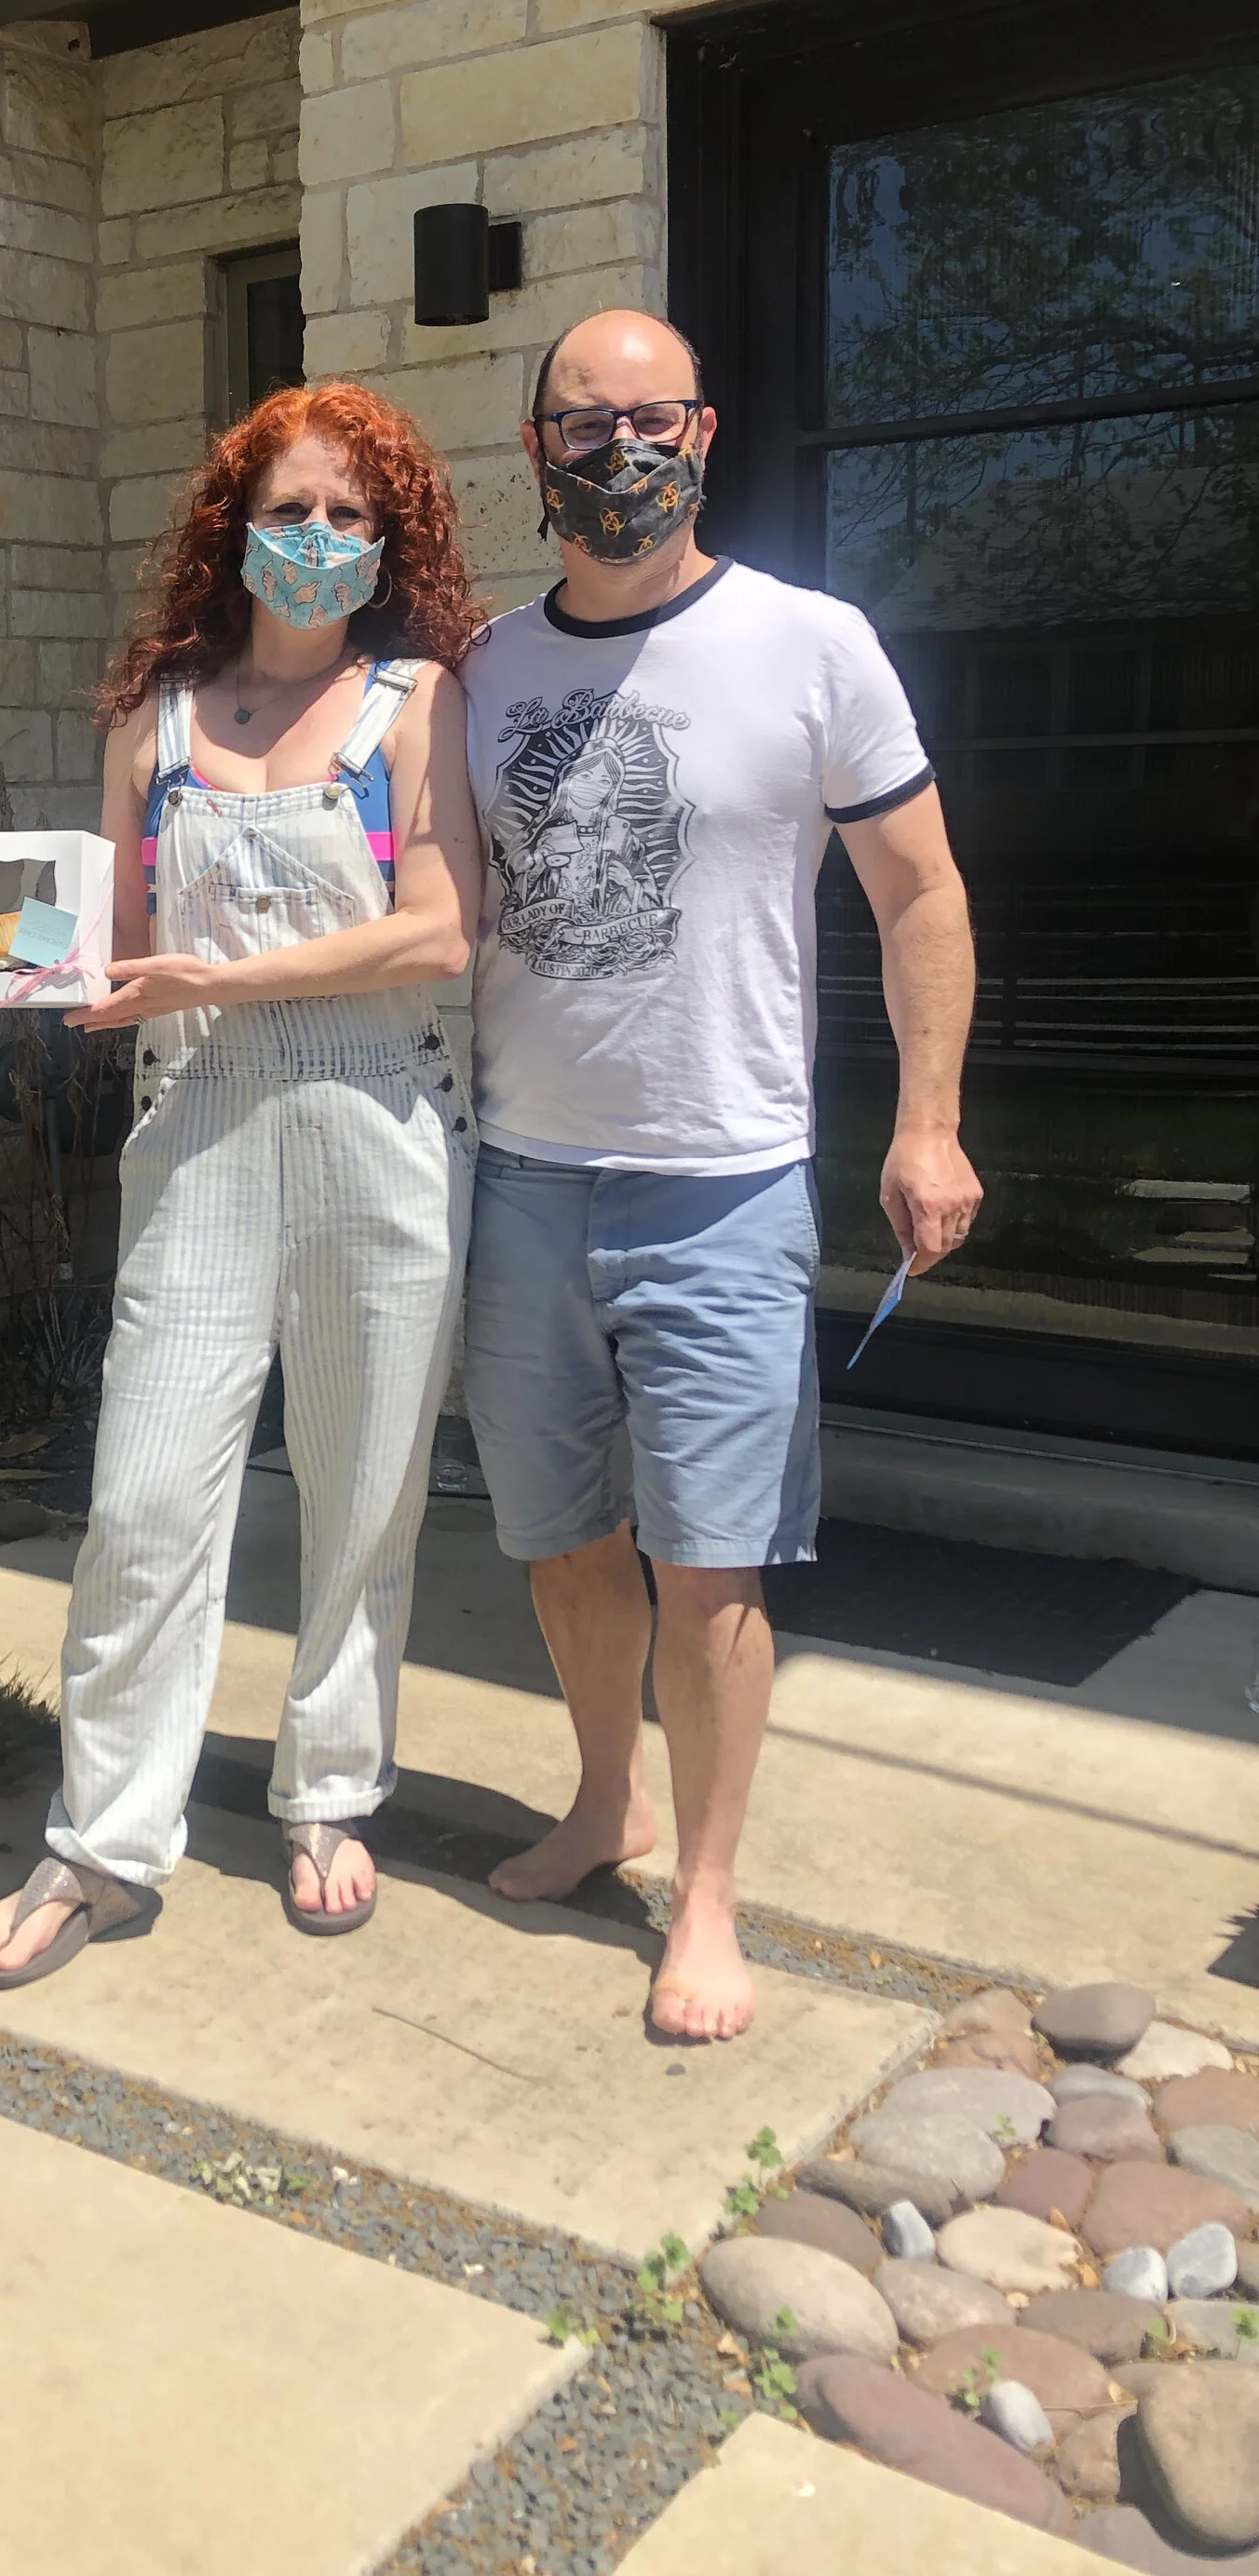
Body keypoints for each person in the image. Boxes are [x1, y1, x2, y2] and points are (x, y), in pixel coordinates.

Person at [461, 307, 981, 2043]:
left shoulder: (812, 646)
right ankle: (602, 1804)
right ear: (536, 449)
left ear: (704, 430)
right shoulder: (486, 670)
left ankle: (704, 1895)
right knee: (560, 1543)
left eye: (651, 416)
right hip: (523, 1179)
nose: (621, 449)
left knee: (715, 1564)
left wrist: (928, 1121)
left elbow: (919, 894)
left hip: (727, 1182)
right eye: (584, 420)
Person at [0, 381, 487, 1982]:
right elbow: (109, 962)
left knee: (363, 1487)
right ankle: (105, 1841)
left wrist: (224, 979)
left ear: (384, 542)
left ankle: (331, 1790)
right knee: (141, 1502)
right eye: (290, 511)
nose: (316, 540)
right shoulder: (155, 723)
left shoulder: (417, 705)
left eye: (349, 517)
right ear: (232, 528)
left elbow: (442, 935)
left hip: (379, 1128)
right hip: (194, 1140)